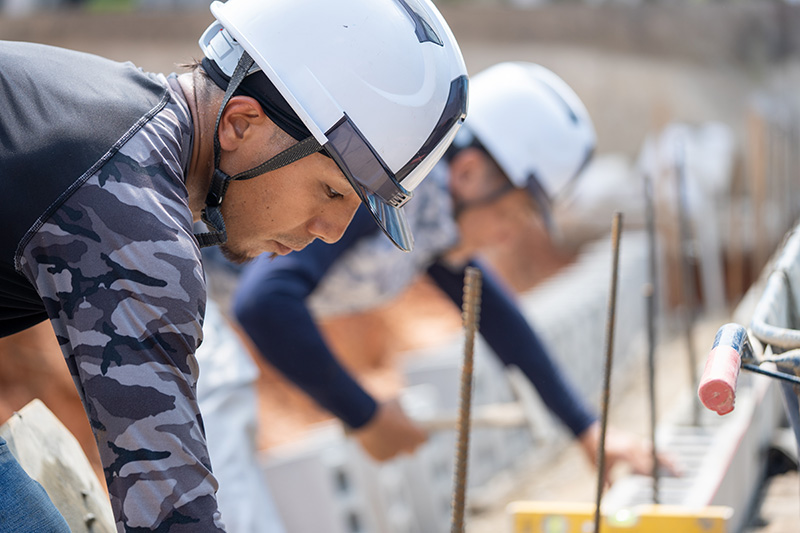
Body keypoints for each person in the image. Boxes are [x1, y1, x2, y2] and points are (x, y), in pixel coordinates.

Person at [0, 0, 468, 529]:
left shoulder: (122, 130)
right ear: (242, 124)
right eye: (331, 191)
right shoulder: (131, 212)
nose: (332, 232)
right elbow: (171, 512)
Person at [232, 62, 667, 483]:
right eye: (514, 216)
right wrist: (364, 414)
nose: (509, 238)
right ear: (470, 173)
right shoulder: (383, 194)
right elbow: (265, 303)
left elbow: (499, 320)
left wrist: (586, 428)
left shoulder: (433, 221)